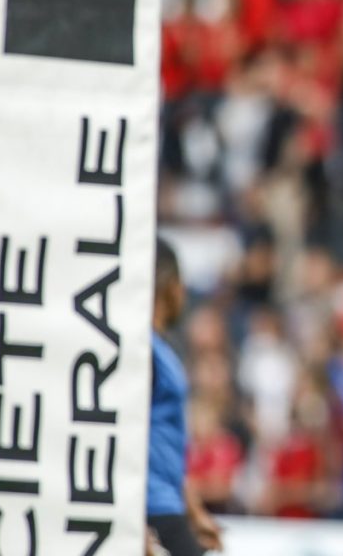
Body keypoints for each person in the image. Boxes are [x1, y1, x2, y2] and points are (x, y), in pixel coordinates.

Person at [146, 238, 224, 556]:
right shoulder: (143, 352)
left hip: (168, 504)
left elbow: (168, 449)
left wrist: (193, 512)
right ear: (167, 285)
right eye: (180, 283)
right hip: (151, 506)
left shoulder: (161, 348)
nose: (184, 294)